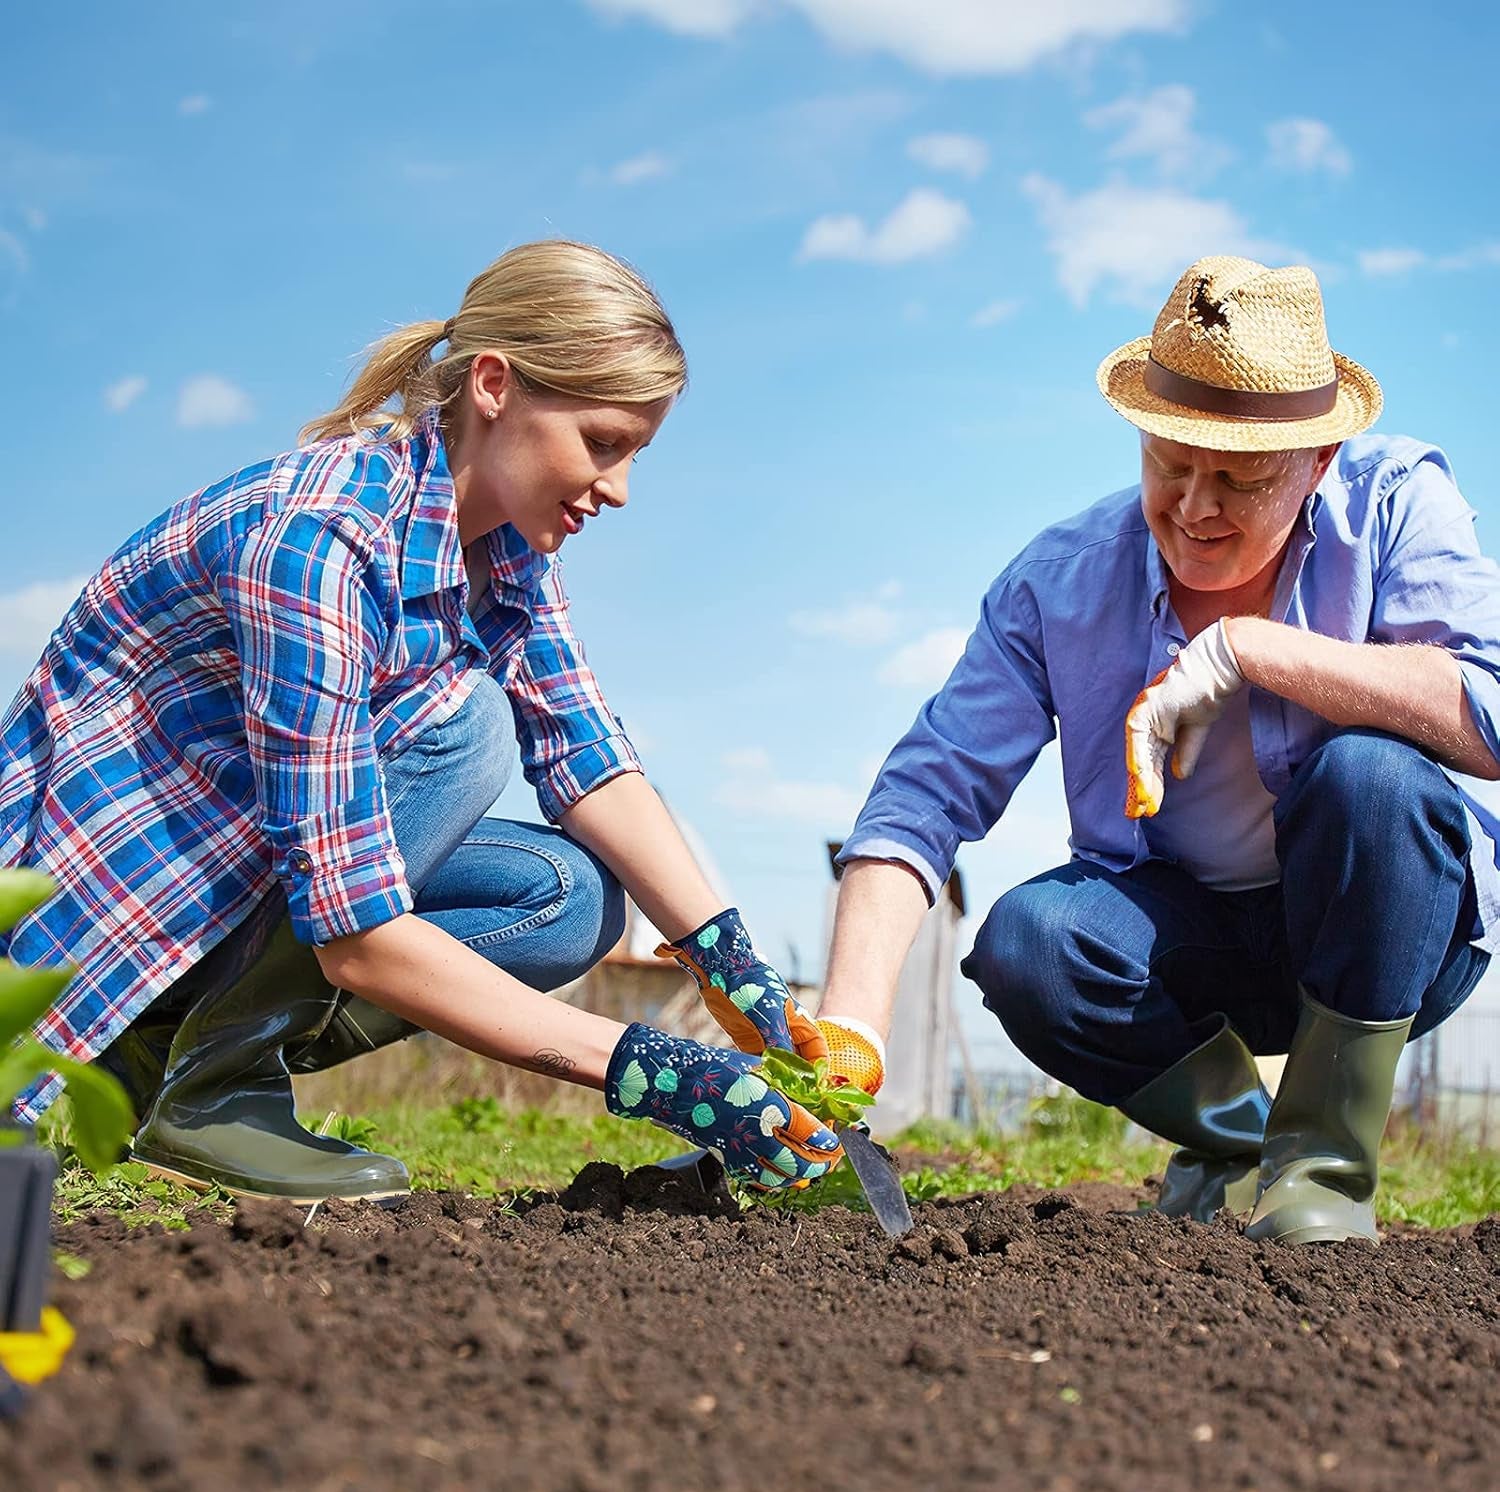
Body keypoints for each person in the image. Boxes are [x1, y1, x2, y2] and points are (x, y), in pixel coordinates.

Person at [1, 240, 855, 1203]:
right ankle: (217, 1084)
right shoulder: (318, 543)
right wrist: (657, 1074)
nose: (617, 488)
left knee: (570, 895)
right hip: (117, 901)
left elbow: (586, 754)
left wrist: (726, 962)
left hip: (251, 868)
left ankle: (158, 1057)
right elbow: (353, 930)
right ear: (494, 385)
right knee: (466, 728)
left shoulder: (506, 551)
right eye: (603, 443)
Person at [818, 256, 1500, 1245]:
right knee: (1029, 941)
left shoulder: (1392, 502)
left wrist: (1250, 651)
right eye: (1169, 465)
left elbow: (1489, 711)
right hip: (1187, 957)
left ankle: (1321, 1174)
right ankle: (1236, 1143)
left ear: (1318, 461)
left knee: (1370, 778)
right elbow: (927, 789)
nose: (1194, 509)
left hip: (1383, 937)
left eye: (1240, 479)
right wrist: (848, 1023)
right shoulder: (1059, 583)